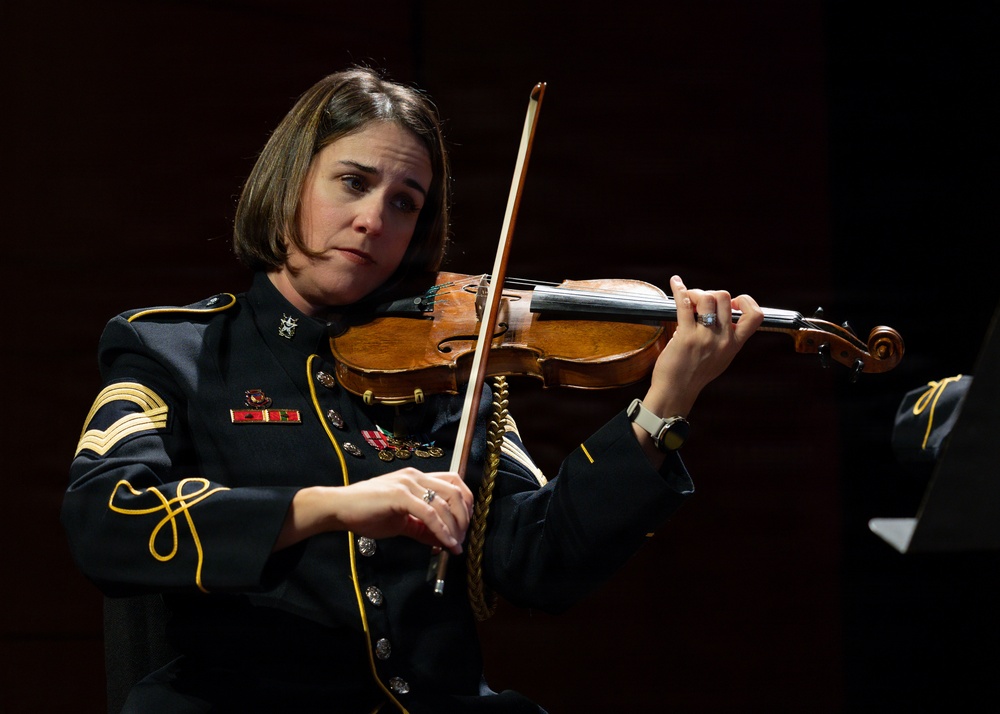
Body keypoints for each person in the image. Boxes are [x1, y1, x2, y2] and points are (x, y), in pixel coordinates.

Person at [62, 67, 764, 713]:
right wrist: (328, 507)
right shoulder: (171, 348)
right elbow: (107, 519)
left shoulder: (447, 367)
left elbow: (535, 563)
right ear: (291, 183)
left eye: (404, 202)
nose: (374, 220)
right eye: (352, 183)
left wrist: (660, 409)